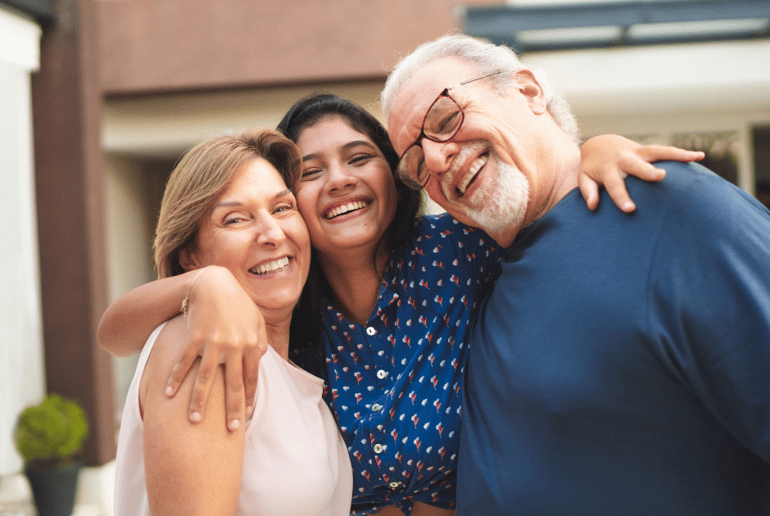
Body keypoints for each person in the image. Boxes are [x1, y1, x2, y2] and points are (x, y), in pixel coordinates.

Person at [99, 96, 701, 514]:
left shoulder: (460, 249)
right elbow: (118, 333)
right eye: (310, 172)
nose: (339, 179)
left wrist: (589, 152)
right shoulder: (273, 307)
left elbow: (544, 211)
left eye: (360, 157)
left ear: (395, 174)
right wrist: (203, 286)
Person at [382, 33, 770, 515]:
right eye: (417, 163)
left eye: (447, 118)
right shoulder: (468, 269)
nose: (437, 159)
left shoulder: (677, 211)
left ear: (527, 91)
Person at [113, 128, 352, 515]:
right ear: (190, 255)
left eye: (282, 208)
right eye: (236, 219)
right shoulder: (200, 345)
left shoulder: (293, 370)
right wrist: (204, 284)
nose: (272, 234)